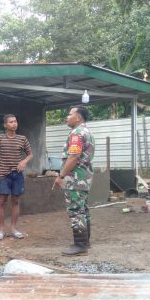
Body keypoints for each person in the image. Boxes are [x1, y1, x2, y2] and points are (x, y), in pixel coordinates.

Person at [52, 106, 95, 255]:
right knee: (83, 209)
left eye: (70, 114)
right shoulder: (87, 132)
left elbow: (73, 157)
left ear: (78, 117)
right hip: (84, 177)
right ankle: (85, 242)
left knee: (76, 210)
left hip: (76, 178)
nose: (67, 117)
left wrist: (61, 176)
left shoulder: (77, 134)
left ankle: (80, 245)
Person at [0, 114, 33, 240]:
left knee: (15, 201)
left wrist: (24, 162)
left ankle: (13, 228)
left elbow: (30, 154)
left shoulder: (22, 139)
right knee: (2, 202)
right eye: (11, 122)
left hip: (17, 175)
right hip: (4, 175)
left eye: (15, 121)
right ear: (5, 125)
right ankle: (1, 230)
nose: (14, 124)